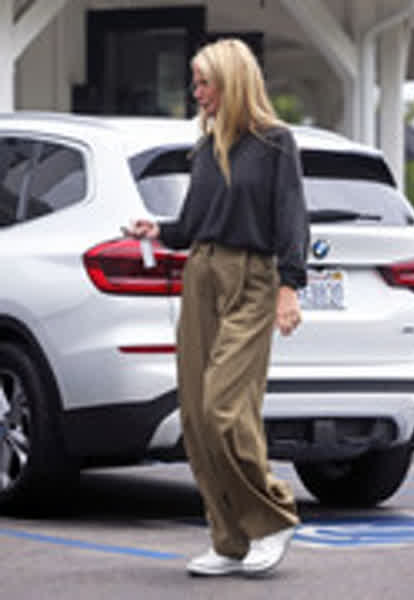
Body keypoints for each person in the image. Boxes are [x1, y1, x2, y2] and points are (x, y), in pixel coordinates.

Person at [126, 38, 309, 577]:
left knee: (224, 408)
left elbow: (291, 219)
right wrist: (157, 230)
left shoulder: (275, 143)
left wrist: (289, 288)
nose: (197, 92)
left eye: (204, 83)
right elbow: (190, 226)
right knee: (195, 415)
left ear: (232, 83)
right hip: (201, 273)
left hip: (250, 278)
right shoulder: (207, 147)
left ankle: (271, 517)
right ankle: (229, 539)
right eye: (196, 82)